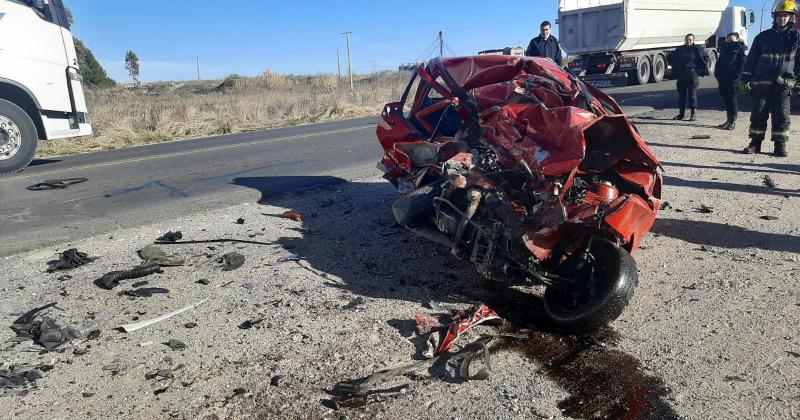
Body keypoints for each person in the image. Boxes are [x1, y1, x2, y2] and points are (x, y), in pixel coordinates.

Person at [741, 0, 800, 157]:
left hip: (784, 83)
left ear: (792, 18)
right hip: (761, 82)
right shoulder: (762, 37)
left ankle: (780, 146)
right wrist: (745, 79)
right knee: (758, 114)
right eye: (779, 16)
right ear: (774, 17)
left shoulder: (796, 37)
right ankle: (755, 143)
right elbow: (751, 59)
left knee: (782, 114)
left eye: (786, 16)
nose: (782, 19)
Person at [667, 34, 710, 121]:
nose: (688, 41)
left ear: (693, 40)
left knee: (692, 95)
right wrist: (675, 66)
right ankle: (681, 114)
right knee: (681, 95)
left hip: (692, 74)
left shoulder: (697, 49)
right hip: (681, 74)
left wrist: (699, 69)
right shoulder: (680, 49)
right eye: (687, 39)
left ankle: (693, 114)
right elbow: (670, 57)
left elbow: (706, 58)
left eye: (690, 39)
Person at [714, 33, 748, 130]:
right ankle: (728, 120)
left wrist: (737, 75)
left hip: (733, 78)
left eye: (731, 40)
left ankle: (733, 121)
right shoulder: (724, 47)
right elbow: (719, 61)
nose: (729, 42)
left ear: (737, 39)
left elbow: (743, 63)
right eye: (728, 40)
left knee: (732, 100)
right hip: (722, 77)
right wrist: (717, 72)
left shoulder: (742, 48)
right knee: (726, 99)